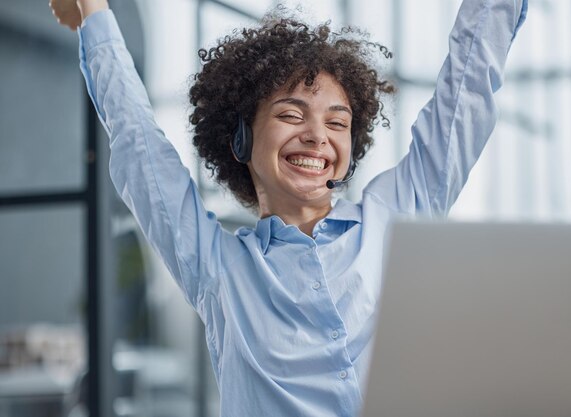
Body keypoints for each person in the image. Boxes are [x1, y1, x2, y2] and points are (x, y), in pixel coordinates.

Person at [50, 0, 527, 416]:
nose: (317, 135)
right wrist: (94, 12)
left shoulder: (395, 214)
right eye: (291, 114)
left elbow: (465, 92)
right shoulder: (220, 268)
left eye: (337, 123)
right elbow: (140, 148)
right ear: (241, 138)